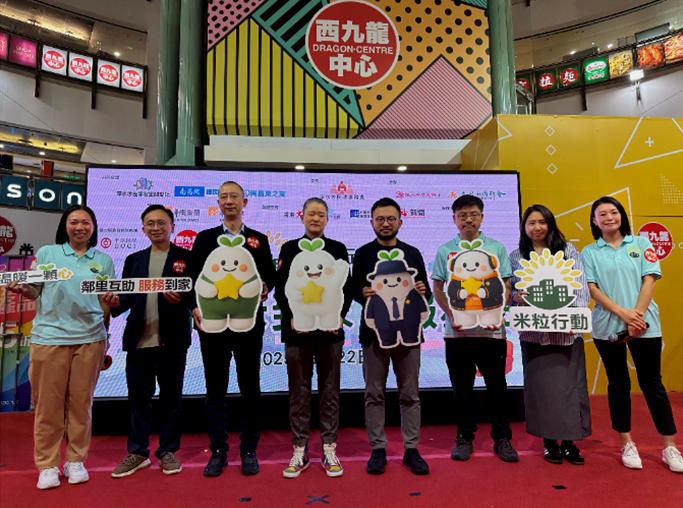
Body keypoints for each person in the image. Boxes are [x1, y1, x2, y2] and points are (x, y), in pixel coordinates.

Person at [7, 205, 118, 490]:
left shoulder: (103, 260)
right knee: (48, 407)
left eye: (86, 222)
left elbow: (105, 302)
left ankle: (76, 460)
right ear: (65, 226)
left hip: (90, 340)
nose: (80, 227)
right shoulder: (48, 254)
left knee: (81, 405)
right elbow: (34, 289)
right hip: (50, 339)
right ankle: (47, 465)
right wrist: (22, 288)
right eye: (74, 222)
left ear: (93, 227)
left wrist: (108, 329)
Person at [582, 196, 683, 472]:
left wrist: (636, 316)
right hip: (607, 327)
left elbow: (649, 279)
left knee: (652, 384)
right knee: (618, 383)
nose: (609, 217)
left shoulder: (641, 243)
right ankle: (626, 442)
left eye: (613, 212)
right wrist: (623, 315)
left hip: (645, 325)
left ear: (621, 215)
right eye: (602, 214)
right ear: (595, 221)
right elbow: (592, 289)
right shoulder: (590, 252)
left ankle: (670, 446)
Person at [189, 181, 275, 477]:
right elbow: (192, 278)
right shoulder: (205, 239)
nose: (229, 201)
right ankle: (218, 450)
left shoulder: (258, 240)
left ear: (244, 202)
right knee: (215, 390)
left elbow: (269, 275)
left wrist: (266, 286)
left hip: (247, 324)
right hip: (212, 325)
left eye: (234, 196)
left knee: (250, 389)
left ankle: (249, 449)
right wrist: (194, 307)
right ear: (218, 202)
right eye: (223, 197)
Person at [432, 194, 519, 463]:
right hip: (457, 334)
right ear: (454, 219)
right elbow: (438, 288)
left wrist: (497, 313)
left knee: (497, 387)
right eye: (462, 215)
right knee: (462, 388)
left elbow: (506, 284)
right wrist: (453, 314)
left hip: (491, 332)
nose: (467, 220)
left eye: (473, 214)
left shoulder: (496, 248)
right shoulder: (445, 250)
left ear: (481, 217)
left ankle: (502, 438)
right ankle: (464, 436)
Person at [109, 205, 193, 478]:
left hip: (173, 341)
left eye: (161, 223)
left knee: (171, 400)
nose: (156, 228)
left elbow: (195, 297)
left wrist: (182, 300)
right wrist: (113, 302)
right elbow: (125, 299)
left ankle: (168, 450)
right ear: (143, 228)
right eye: (150, 223)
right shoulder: (134, 259)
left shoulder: (186, 258)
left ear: (172, 227)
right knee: (138, 400)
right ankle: (137, 452)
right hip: (139, 341)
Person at [351, 197, 431, 475]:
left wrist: (422, 290)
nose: (385, 224)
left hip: (409, 335)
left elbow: (425, 291)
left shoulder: (412, 253)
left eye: (390, 219)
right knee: (374, 393)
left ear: (400, 221)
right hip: (374, 334)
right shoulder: (363, 254)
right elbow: (353, 289)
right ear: (372, 222)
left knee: (410, 393)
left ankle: (411, 449)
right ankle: (378, 449)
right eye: (380, 219)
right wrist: (361, 292)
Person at [274, 197, 353, 478]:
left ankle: (329, 449)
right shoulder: (289, 248)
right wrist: (292, 317)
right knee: (299, 393)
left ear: (327, 219)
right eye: (311, 214)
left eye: (321, 214)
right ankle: (300, 449)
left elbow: (346, 288)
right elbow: (281, 289)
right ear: (302, 217)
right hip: (297, 332)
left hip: (330, 333)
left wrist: (339, 316)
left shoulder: (338, 249)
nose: (316, 219)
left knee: (330, 392)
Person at [509, 205, 591, 465]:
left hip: (566, 335)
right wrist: (517, 297)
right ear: (524, 227)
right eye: (531, 223)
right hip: (535, 336)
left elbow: (580, 288)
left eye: (542, 222)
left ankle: (569, 443)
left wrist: (572, 319)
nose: (537, 227)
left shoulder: (567, 250)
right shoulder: (516, 256)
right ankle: (548, 442)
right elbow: (511, 291)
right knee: (542, 391)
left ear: (550, 224)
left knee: (570, 390)